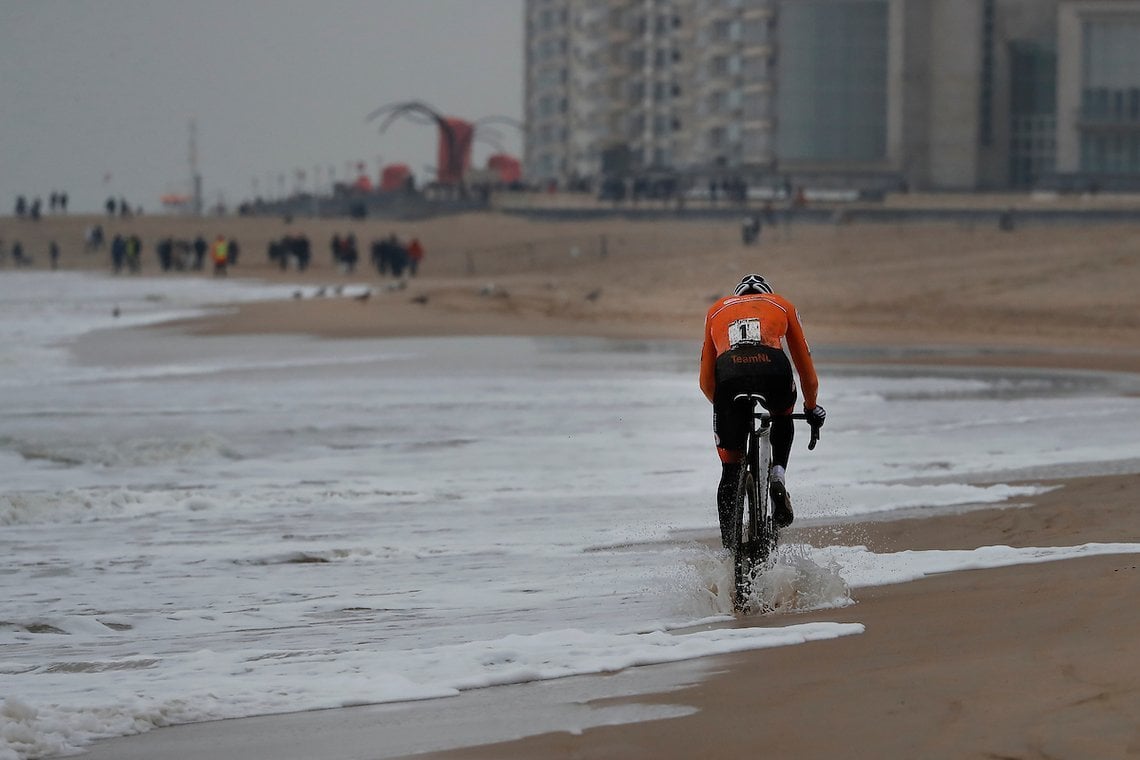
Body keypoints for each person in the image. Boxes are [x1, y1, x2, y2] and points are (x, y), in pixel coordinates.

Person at [699, 274, 826, 546]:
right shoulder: (781, 304)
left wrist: (725, 409)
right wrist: (812, 407)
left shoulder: (716, 310)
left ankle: (729, 552)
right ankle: (778, 475)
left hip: (729, 375)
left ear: (737, 296)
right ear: (766, 293)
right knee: (782, 414)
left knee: (729, 470)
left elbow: (706, 382)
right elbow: (806, 370)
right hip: (773, 369)